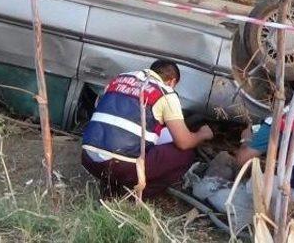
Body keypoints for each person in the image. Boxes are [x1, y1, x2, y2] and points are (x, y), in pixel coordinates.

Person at [81, 59, 214, 198]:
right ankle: (136, 195)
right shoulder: (165, 92)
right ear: (172, 82)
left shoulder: (119, 79)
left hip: (89, 159)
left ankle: (111, 186)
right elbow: (184, 142)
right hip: (118, 167)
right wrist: (202, 134)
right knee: (185, 154)